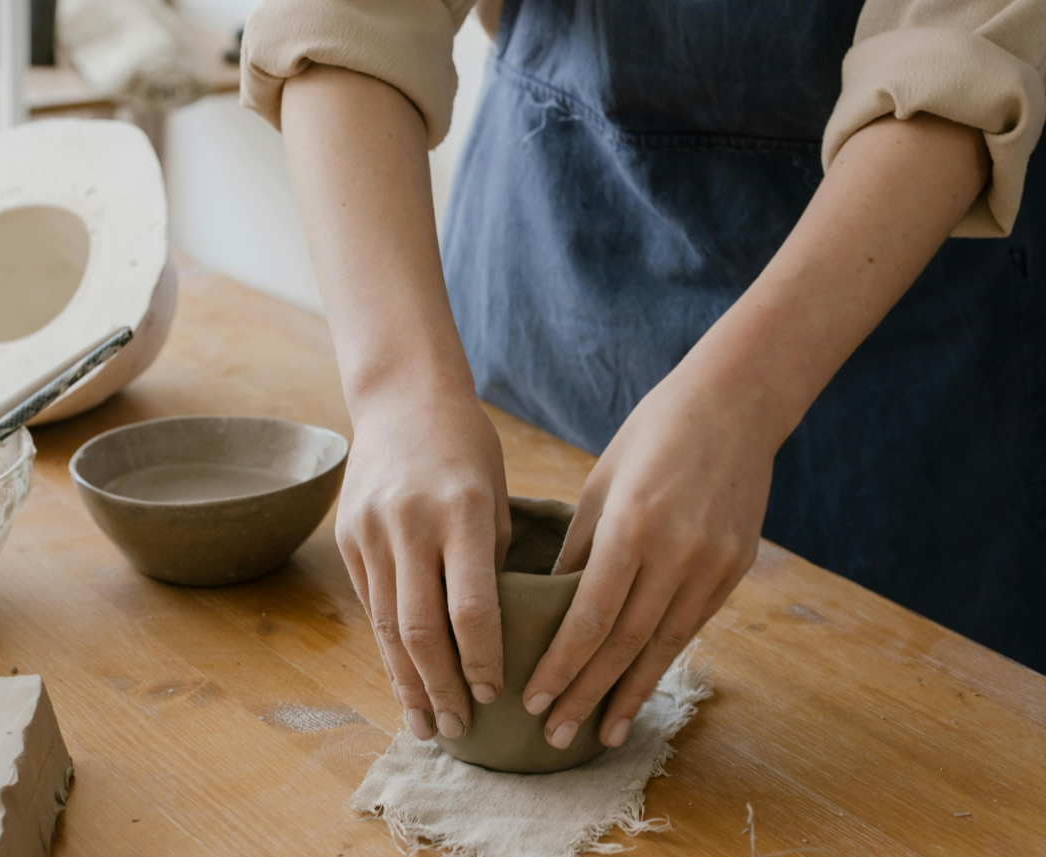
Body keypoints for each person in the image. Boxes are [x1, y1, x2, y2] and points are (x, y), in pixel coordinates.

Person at [239, 0, 1046, 752]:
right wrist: (397, 389)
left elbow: (954, 69)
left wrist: (744, 399)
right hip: (556, 254)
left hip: (903, 317)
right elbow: (344, 20)